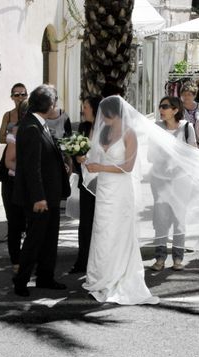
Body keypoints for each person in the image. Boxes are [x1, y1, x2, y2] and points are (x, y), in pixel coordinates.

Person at [82, 96, 159, 305]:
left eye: (105, 115)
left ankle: (119, 276)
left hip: (121, 188)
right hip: (105, 190)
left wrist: (101, 168)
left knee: (119, 232)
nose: (102, 119)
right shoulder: (103, 132)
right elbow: (95, 158)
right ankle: (101, 276)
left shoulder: (129, 133)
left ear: (114, 113)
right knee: (102, 231)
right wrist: (85, 160)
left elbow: (128, 167)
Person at [12, 85, 71, 297]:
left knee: (49, 239)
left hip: (50, 196)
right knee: (35, 239)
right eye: (55, 101)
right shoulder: (31, 128)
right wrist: (38, 197)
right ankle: (21, 281)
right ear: (49, 104)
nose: (57, 105)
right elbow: (31, 167)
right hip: (40, 198)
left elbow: (44, 159)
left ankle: (45, 277)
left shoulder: (40, 124)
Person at [150, 96, 197, 272]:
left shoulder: (187, 127)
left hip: (181, 181)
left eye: (165, 107)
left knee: (179, 219)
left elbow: (193, 154)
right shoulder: (156, 127)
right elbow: (149, 155)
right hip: (160, 180)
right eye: (160, 106)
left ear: (175, 110)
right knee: (161, 220)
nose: (161, 110)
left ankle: (178, 258)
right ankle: (160, 258)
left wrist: (176, 162)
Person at [69, 94, 102, 274]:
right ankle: (82, 261)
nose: (83, 110)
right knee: (85, 224)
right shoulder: (83, 126)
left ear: (95, 109)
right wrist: (77, 156)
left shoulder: (106, 129)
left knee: (101, 223)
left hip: (103, 183)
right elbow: (77, 150)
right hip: (85, 183)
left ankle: (99, 262)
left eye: (86, 107)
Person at [0, 83, 28, 244]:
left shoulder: (31, 114)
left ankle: (23, 229)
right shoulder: (8, 115)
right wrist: (12, 135)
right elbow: (0, 137)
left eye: (23, 94)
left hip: (26, 157)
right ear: (12, 97)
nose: (20, 97)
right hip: (10, 155)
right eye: (17, 94)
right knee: (7, 195)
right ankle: (13, 229)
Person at [0, 99, 29, 272]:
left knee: (26, 223)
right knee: (15, 223)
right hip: (13, 183)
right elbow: (9, 162)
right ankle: (16, 262)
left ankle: (26, 258)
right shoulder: (15, 131)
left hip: (26, 183)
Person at [180, 83, 199, 148]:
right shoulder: (177, 108)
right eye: (184, 94)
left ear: (194, 95)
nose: (186, 97)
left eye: (189, 94)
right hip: (183, 142)